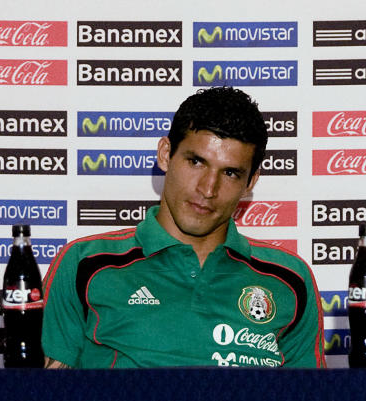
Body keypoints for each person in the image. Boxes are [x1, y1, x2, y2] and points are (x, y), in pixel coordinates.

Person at [42, 86, 326, 368]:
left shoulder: (290, 278)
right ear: (165, 154)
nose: (208, 188)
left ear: (250, 182)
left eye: (230, 173)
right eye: (196, 162)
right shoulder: (85, 263)